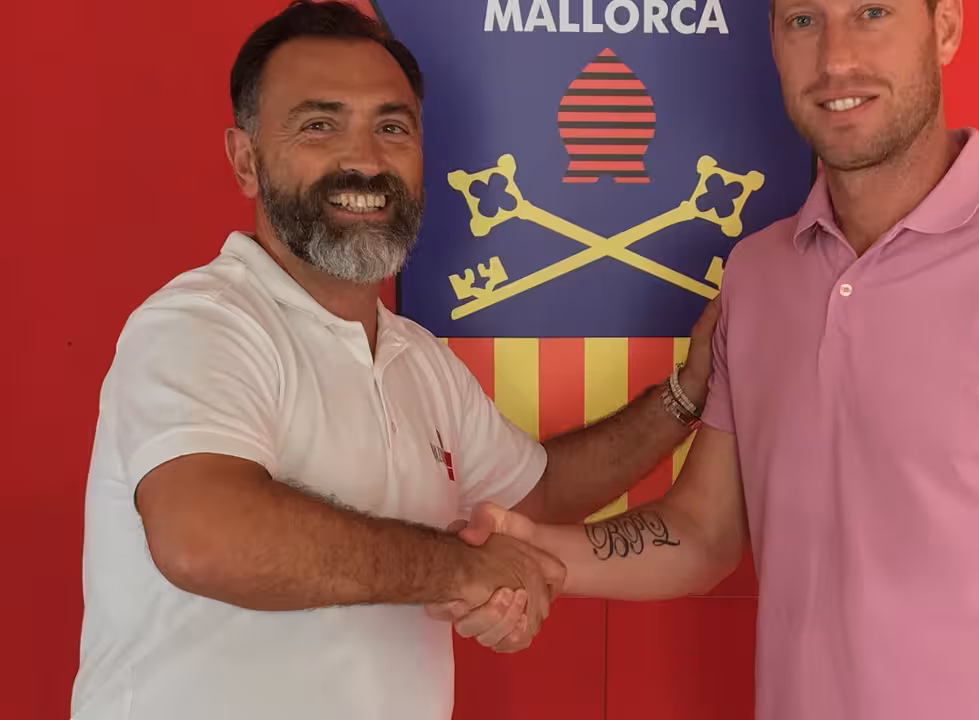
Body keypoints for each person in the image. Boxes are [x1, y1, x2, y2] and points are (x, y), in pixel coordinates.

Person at [448, 0, 979, 718]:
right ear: (774, 41)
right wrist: (531, 548)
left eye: (872, 13)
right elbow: (702, 531)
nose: (836, 58)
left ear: (945, 27)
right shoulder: (758, 276)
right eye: (804, 20)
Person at [68, 2, 719, 719]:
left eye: (391, 127)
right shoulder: (202, 324)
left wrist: (687, 395)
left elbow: (536, 496)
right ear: (245, 160)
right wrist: (460, 570)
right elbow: (206, 536)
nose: (365, 160)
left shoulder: (419, 361)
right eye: (319, 126)